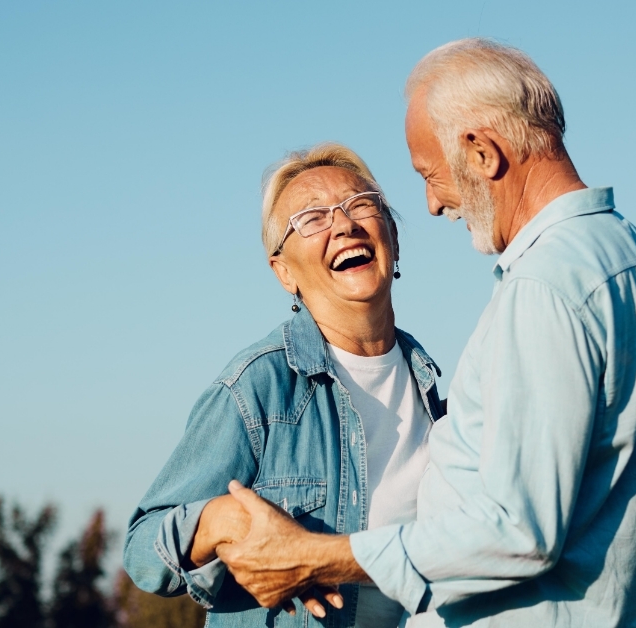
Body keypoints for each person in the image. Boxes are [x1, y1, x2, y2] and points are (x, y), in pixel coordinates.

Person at [215, 39, 636, 627]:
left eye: (431, 174)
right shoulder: (634, 256)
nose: (431, 204)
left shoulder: (542, 287)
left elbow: (519, 531)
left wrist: (317, 557)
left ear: (482, 152)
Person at [122, 143, 446, 628]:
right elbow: (142, 549)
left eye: (361, 204)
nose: (343, 225)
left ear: (393, 238)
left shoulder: (437, 394)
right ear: (284, 272)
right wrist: (222, 519)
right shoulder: (257, 387)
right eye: (312, 219)